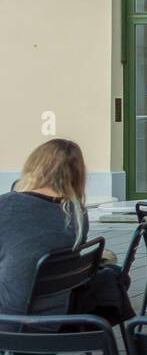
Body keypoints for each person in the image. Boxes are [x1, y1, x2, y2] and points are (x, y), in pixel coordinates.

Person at [0, 139, 134, 325]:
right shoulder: (77, 214)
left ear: (33, 166)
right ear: (78, 174)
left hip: (8, 321)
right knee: (112, 272)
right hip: (56, 320)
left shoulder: (6, 205)